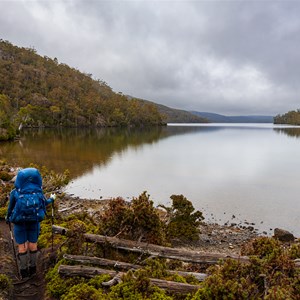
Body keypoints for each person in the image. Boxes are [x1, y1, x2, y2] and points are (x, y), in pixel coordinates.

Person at [6, 167, 56, 280]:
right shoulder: (38, 192)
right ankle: (33, 270)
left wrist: (8, 217)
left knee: (22, 246)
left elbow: (10, 209)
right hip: (34, 221)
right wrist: (52, 199)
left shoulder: (15, 192)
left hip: (19, 223)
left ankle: (24, 273)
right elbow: (44, 203)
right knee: (33, 244)